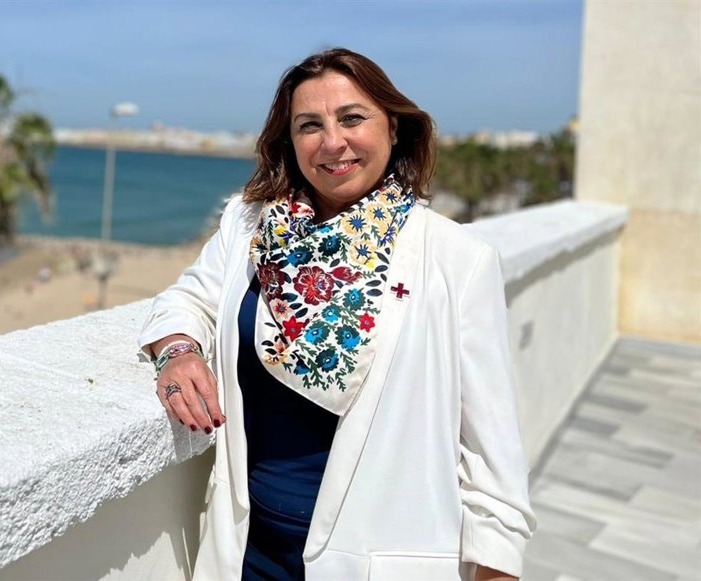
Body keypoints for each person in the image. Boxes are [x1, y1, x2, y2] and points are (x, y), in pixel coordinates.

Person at [139, 48, 536, 581]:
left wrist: (496, 569)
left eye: (352, 118)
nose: (332, 142)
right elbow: (188, 298)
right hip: (248, 551)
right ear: (289, 140)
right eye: (310, 125)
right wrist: (178, 351)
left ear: (393, 128)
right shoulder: (250, 225)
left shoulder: (458, 260)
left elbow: (492, 454)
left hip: (378, 563)